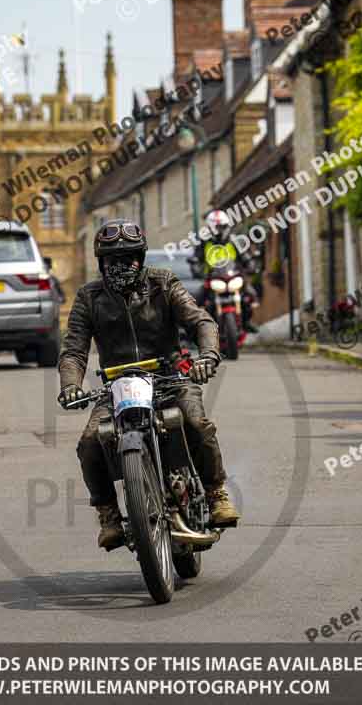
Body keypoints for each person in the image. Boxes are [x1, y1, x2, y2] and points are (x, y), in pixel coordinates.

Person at [58, 219, 240, 550]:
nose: (121, 265)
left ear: (140, 258)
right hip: (116, 387)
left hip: (170, 378)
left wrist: (207, 356)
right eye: (113, 260)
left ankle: (216, 493)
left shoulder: (163, 283)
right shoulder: (88, 297)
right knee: (89, 443)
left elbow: (201, 321)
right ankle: (109, 515)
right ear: (102, 263)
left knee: (196, 423)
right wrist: (70, 385)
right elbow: (73, 351)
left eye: (128, 257)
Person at [194, 210, 259, 332]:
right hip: (212, 277)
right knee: (197, 300)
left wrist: (251, 265)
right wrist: (195, 267)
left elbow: (245, 256)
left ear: (227, 226)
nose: (219, 230)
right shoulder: (204, 242)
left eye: (222, 227)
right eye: (216, 227)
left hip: (233, 275)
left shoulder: (234, 241)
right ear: (209, 228)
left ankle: (247, 321)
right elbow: (197, 258)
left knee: (250, 294)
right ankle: (197, 328)